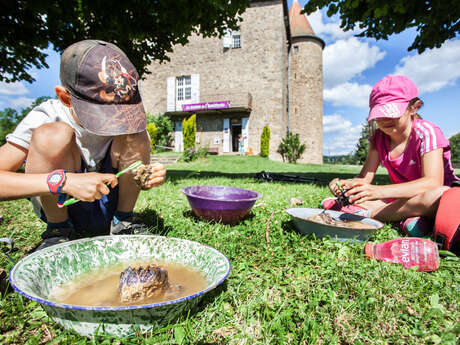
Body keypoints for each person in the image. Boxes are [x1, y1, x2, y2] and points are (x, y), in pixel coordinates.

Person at [0, 40, 166, 250]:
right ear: (65, 98)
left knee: (137, 133)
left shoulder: (128, 123)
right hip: (63, 206)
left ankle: (123, 222)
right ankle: (58, 231)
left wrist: (145, 175)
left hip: (110, 203)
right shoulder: (48, 115)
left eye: (122, 112)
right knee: (52, 134)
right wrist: (64, 182)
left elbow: (135, 163)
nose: (115, 121)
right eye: (104, 113)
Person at [322, 75, 460, 236]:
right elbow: (364, 179)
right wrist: (344, 185)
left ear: (414, 107)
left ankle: (370, 214)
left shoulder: (427, 132)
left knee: (440, 195)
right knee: (362, 197)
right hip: (399, 198)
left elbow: (433, 183)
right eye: (379, 114)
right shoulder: (378, 138)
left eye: (392, 112)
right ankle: (407, 219)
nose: (385, 120)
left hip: (435, 198)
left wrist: (378, 192)